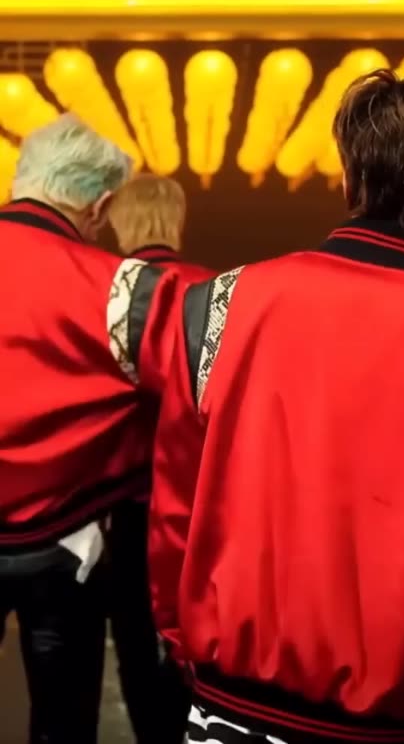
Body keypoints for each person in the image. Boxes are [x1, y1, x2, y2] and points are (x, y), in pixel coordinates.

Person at [104, 69, 404, 743]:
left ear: (350, 180)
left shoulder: (221, 306)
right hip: (388, 727)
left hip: (226, 707)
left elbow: (175, 510)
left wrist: (184, 646)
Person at [0, 114, 178, 744]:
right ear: (100, 206)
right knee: (64, 726)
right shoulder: (119, 286)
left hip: (62, 541)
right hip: (65, 543)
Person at [105, 174, 212, 744]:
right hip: (199, 503)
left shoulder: (106, 294)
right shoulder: (214, 291)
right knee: (195, 638)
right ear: (178, 219)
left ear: (119, 221)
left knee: (133, 639)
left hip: (127, 497)